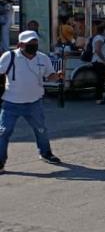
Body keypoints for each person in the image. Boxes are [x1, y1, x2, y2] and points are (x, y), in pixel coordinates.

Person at [0, 31, 65, 173]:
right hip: (11, 103)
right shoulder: (9, 56)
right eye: (30, 43)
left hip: (34, 102)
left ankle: (46, 153)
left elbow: (50, 76)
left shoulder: (43, 58)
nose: (33, 45)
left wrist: (57, 76)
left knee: (41, 130)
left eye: (35, 42)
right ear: (20, 44)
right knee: (3, 132)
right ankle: (0, 162)